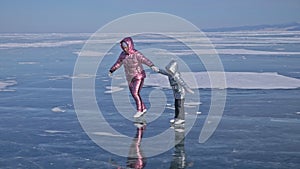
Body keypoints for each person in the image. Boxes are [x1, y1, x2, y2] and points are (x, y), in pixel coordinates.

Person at [109, 37, 159, 118]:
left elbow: (145, 60)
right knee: (134, 94)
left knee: (135, 93)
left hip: (138, 76)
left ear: (130, 45)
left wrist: (152, 66)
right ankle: (143, 108)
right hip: (129, 77)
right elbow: (118, 63)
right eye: (123, 47)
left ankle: (139, 110)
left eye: (126, 46)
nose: (125, 49)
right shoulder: (122, 55)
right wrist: (112, 70)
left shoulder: (136, 54)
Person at [156, 60, 194, 125]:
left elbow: (182, 83)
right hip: (176, 91)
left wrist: (187, 89)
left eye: (169, 69)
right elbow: (164, 72)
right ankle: (177, 118)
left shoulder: (176, 75)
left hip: (180, 91)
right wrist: (158, 70)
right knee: (176, 105)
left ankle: (181, 118)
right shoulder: (170, 74)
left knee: (180, 105)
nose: (168, 71)